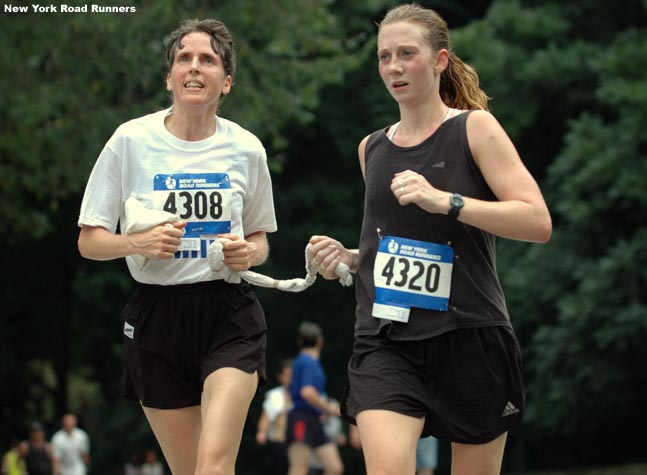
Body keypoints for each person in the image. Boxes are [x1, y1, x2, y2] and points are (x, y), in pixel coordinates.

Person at [308, 4, 552, 475]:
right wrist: (352, 257)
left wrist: (447, 201)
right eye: (384, 57)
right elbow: (400, 243)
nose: (394, 67)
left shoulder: (474, 128)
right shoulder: (371, 148)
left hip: (469, 334)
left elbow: (536, 221)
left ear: (440, 60)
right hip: (386, 339)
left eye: (406, 54)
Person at [77, 18, 277, 475]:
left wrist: (248, 254)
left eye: (207, 60)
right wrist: (136, 241)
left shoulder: (246, 149)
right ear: (169, 77)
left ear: (225, 82)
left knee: (214, 464)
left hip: (229, 313)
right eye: (183, 58)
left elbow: (260, 238)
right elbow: (89, 241)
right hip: (156, 317)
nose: (193, 67)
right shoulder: (130, 141)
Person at [286, 322, 344, 475]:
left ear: (300, 341)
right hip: (302, 419)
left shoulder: (304, 361)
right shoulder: (308, 362)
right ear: (320, 341)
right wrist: (328, 407)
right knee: (299, 469)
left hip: (314, 419)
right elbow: (307, 392)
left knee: (334, 468)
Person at [256, 359, 294, 475]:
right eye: (286, 375)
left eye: (292, 375)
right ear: (280, 377)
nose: (290, 379)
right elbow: (266, 415)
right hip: (280, 440)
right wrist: (262, 431)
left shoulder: (302, 394)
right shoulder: (274, 395)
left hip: (300, 440)